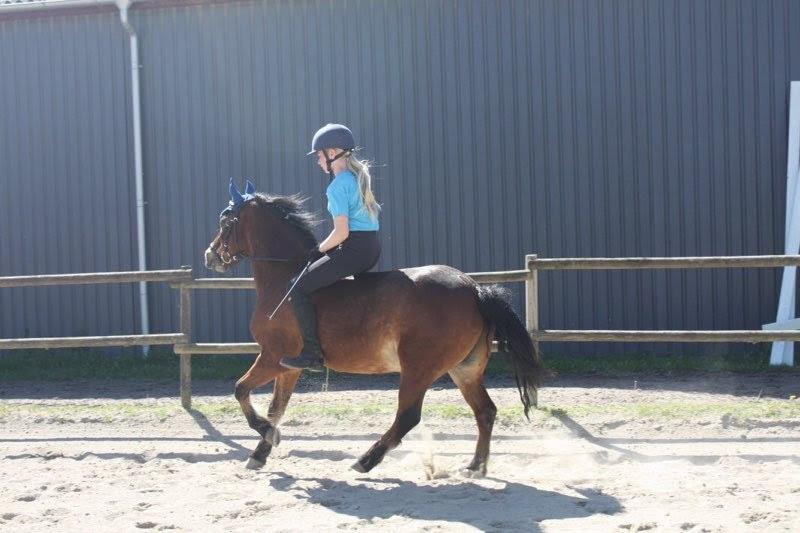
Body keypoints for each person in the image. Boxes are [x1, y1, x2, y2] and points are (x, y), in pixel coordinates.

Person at [279, 123, 381, 371]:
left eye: (318, 155)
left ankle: (312, 353)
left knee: (298, 287)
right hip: (371, 248)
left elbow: (342, 232)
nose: (317, 161)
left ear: (332, 152)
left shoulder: (337, 186)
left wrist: (317, 251)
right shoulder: (356, 178)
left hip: (354, 250)